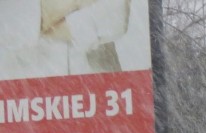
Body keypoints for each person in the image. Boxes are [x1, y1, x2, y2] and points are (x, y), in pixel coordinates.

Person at [0, 0, 150, 81]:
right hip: (22, 97)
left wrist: (42, 18)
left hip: (98, 91)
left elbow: (116, 13)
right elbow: (7, 24)